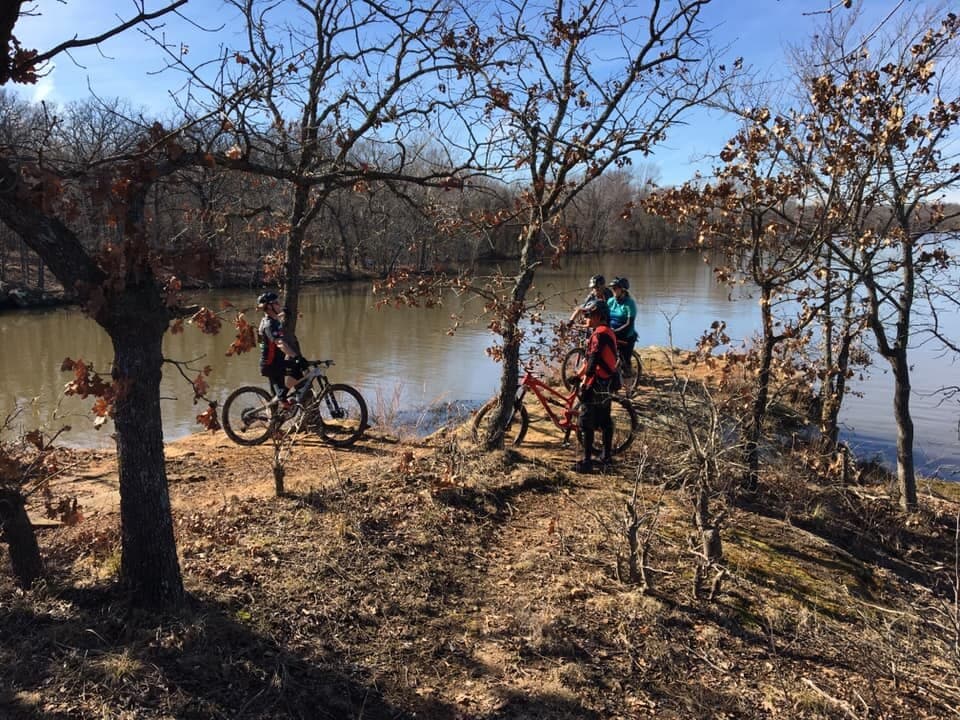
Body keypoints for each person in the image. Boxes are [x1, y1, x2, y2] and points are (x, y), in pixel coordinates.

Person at [573, 298, 618, 473]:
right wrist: (578, 375)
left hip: (596, 383)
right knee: (605, 421)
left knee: (586, 422)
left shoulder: (599, 334)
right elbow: (590, 360)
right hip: (607, 383)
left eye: (590, 315)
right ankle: (606, 457)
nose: (587, 318)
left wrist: (584, 383)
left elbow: (593, 360)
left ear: (599, 316)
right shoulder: (609, 332)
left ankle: (587, 462)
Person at [256, 291, 304, 407]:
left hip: (274, 362)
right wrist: (296, 357)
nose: (279, 305)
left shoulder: (269, 320)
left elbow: (276, 318)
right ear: (269, 306)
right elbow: (280, 343)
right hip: (271, 364)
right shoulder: (269, 325)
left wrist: (284, 313)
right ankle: (282, 397)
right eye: (276, 303)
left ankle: (280, 403)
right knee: (298, 369)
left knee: (278, 398)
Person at [607, 277, 638, 376]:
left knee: (625, 362)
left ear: (622, 290)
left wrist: (615, 331)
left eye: (615, 288)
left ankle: (629, 375)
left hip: (626, 334)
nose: (613, 290)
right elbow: (605, 317)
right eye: (612, 288)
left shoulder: (630, 303)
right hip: (611, 332)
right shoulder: (610, 301)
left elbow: (629, 323)